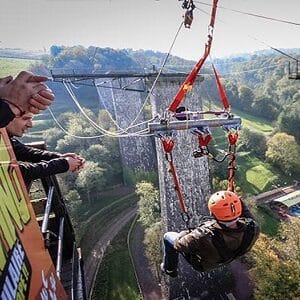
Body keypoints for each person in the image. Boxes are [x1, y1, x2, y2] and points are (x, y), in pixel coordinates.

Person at [161, 190, 260, 277]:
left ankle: (170, 269)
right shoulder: (253, 228)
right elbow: (246, 213)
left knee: (167, 236)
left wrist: (186, 233)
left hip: (202, 264)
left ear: (212, 214)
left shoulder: (202, 236)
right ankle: (170, 269)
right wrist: (234, 198)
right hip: (228, 256)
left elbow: (179, 245)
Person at [6, 112, 85, 190]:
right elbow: (19, 172)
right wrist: (63, 164)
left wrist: (59, 157)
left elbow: (24, 152)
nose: (30, 125)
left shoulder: (5, 138)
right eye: (25, 118)